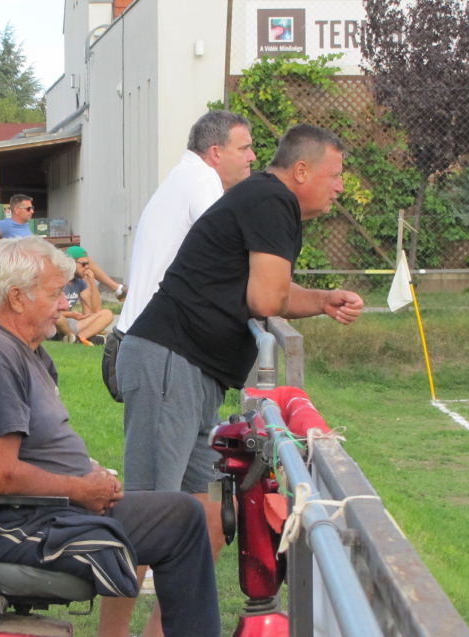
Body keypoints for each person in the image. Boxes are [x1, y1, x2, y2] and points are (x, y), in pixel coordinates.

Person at [116, 124, 364, 625]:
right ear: (302, 170)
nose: (340, 186)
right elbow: (265, 300)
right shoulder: (273, 201)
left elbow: (270, 291)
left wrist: (322, 301)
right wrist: (299, 298)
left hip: (192, 369)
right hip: (169, 360)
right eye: (335, 175)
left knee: (205, 521)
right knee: (143, 519)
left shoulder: (267, 199)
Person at [0, 236, 220, 637]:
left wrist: (87, 473)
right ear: (16, 298)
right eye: (55, 294)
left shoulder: (14, 346)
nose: (67, 304)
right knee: (183, 519)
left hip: (39, 510)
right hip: (11, 524)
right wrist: (80, 489)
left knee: (183, 513)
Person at [117, 110, 256, 335]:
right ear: (216, 153)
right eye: (244, 148)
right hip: (152, 343)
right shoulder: (204, 178)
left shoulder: (185, 175)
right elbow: (228, 252)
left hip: (137, 339)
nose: (252, 156)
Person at [55, 246, 114, 345]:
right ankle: (81, 337)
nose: (87, 267)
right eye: (84, 264)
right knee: (58, 318)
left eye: (88, 264)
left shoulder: (79, 282)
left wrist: (92, 282)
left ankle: (77, 339)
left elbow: (95, 310)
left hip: (71, 323)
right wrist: (70, 314)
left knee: (107, 314)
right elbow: (48, 311)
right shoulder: (57, 280)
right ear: (71, 263)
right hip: (55, 322)